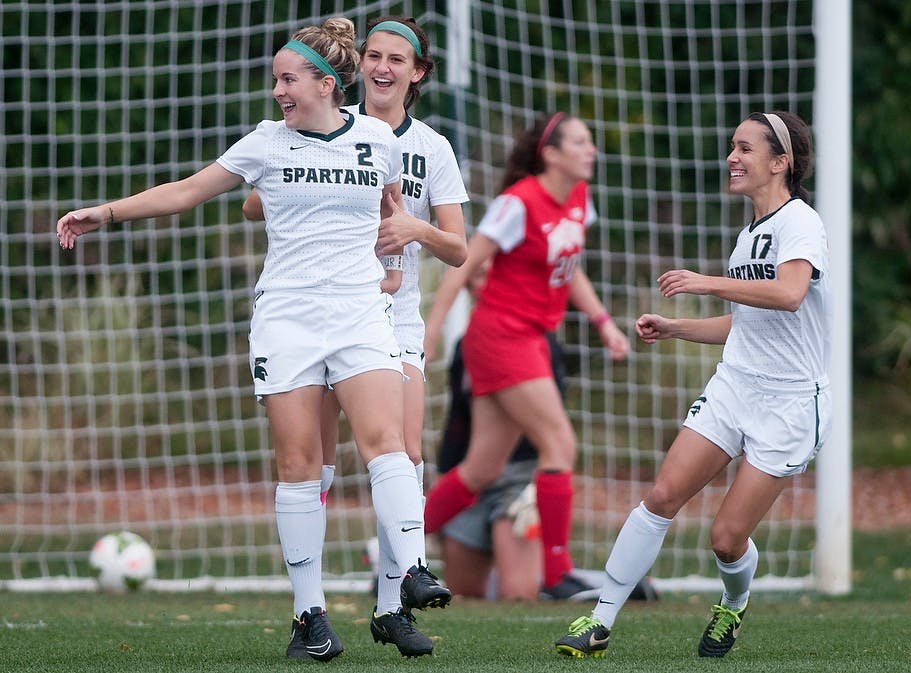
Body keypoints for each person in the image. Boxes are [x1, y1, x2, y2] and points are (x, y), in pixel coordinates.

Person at [56, 17, 451, 662]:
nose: (279, 92)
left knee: (387, 446)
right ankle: (310, 619)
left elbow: (391, 214)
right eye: (276, 81)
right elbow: (187, 192)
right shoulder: (266, 143)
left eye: (289, 80)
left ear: (326, 84)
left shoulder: (377, 139)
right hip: (288, 319)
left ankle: (409, 569)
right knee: (300, 467)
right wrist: (105, 211)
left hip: (358, 312)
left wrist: (391, 261)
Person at [554, 111, 831, 659]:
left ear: (782, 162)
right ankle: (600, 619)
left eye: (746, 149)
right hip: (735, 386)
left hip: (790, 401)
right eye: (733, 146)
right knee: (661, 495)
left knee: (726, 539)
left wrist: (705, 283)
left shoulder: (802, 222)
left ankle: (734, 601)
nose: (733, 157)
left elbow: (790, 293)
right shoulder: (748, 232)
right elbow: (749, 325)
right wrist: (678, 328)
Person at [243, 15, 468, 657]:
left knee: (402, 452)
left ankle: (392, 604)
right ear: (354, 66)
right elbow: (254, 200)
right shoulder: (310, 127)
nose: (383, 67)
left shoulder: (427, 147)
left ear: (417, 72)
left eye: (398, 59)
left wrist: (412, 232)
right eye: (374, 55)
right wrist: (303, 176)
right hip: (317, 306)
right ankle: (307, 613)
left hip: (389, 317)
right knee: (312, 463)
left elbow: (458, 247)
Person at [421, 112, 631, 600]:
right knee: (560, 444)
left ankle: (394, 551)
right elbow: (463, 266)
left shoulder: (579, 198)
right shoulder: (517, 204)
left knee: (481, 469)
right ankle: (557, 576)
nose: (591, 150)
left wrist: (604, 323)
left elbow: (569, 266)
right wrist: (431, 330)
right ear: (551, 153)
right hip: (501, 336)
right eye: (580, 142)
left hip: (530, 336)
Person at [434, 261, 551, 600]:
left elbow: (552, 430)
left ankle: (559, 573)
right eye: (478, 275)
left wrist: (539, 482)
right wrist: (447, 476)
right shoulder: (463, 348)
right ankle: (396, 552)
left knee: (518, 595)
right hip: (470, 479)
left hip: (518, 478)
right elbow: (457, 420)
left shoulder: (536, 339)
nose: (486, 282)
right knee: (461, 596)